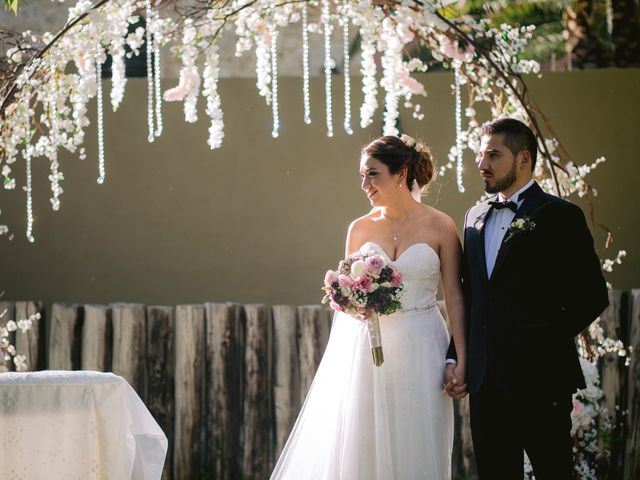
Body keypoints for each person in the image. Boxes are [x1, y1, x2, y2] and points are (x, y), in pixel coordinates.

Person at [270, 134, 467, 479]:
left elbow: (455, 296)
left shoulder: (441, 226)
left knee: (419, 441)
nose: (364, 184)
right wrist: (352, 301)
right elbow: (347, 300)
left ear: (401, 173)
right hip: (369, 352)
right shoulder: (359, 229)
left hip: (424, 347)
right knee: (364, 441)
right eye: (362, 175)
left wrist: (461, 358)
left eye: (372, 174)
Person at [444, 118, 609, 479]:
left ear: (523, 159)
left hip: (542, 379)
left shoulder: (560, 216)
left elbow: (592, 295)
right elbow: (470, 297)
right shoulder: (474, 217)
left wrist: (540, 338)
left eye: (493, 154)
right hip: (486, 384)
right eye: (480, 154)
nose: (482, 164)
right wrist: (457, 356)